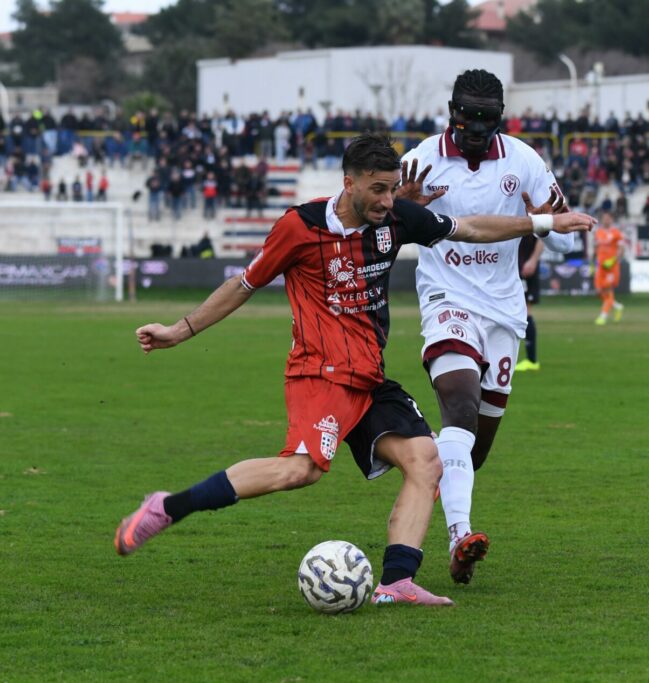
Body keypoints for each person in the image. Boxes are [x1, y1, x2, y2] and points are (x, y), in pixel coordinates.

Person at [114, 133, 595, 606]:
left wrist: (543, 222)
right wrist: (180, 330)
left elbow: (469, 228)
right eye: (379, 190)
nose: (389, 200)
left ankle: (396, 582)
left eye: (392, 189)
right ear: (349, 183)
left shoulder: (397, 219)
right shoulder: (298, 227)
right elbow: (243, 284)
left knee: (426, 461)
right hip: (319, 374)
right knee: (300, 471)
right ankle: (166, 507)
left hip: (369, 378)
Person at [397, 69, 575, 585]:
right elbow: (382, 225)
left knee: (473, 449)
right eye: (466, 115)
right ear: (451, 109)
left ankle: (437, 478)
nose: (475, 126)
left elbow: (563, 239)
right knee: (458, 401)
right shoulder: (421, 159)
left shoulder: (525, 161)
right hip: (445, 298)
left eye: (487, 117)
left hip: (503, 310)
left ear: (501, 117)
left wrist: (550, 216)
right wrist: (403, 210)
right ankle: (460, 533)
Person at [515, 234, 543, 372]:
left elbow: (541, 239)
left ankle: (532, 360)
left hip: (526, 268)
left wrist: (533, 260)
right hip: (515, 268)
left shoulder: (532, 213)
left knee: (526, 310)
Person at [592, 210, 625, 325]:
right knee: (598, 292)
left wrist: (614, 259)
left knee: (608, 290)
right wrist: (593, 263)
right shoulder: (598, 232)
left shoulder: (616, 233)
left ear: (611, 219)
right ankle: (617, 306)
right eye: (604, 218)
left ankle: (603, 316)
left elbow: (621, 249)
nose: (606, 220)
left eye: (608, 218)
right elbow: (596, 248)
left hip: (611, 267)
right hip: (600, 266)